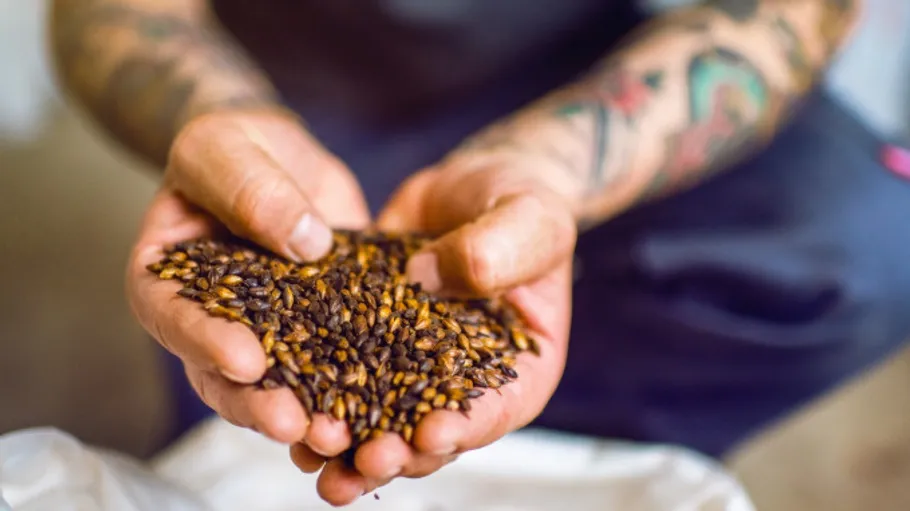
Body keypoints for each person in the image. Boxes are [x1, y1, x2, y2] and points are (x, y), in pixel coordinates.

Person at [50, 0, 910, 506]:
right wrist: (221, 121)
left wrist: (553, 168)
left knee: (866, 237)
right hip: (282, 90)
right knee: (250, 419)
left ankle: (588, 445)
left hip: (596, 76)